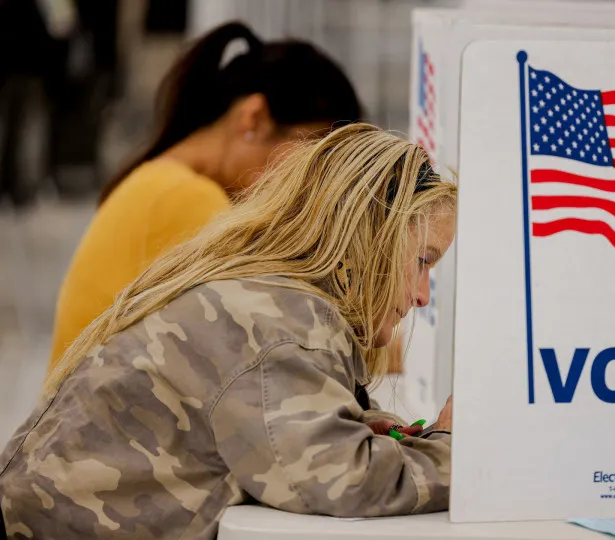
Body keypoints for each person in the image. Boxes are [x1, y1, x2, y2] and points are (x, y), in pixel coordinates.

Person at [0, 124, 457, 539]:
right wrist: (455, 448)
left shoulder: (271, 297)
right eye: (422, 262)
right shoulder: (283, 325)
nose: (422, 295)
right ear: (368, 238)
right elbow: (345, 481)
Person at [47, 21, 362, 370]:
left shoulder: (162, 179)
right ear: (254, 118)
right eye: (312, 154)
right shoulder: (185, 199)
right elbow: (275, 351)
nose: (314, 181)